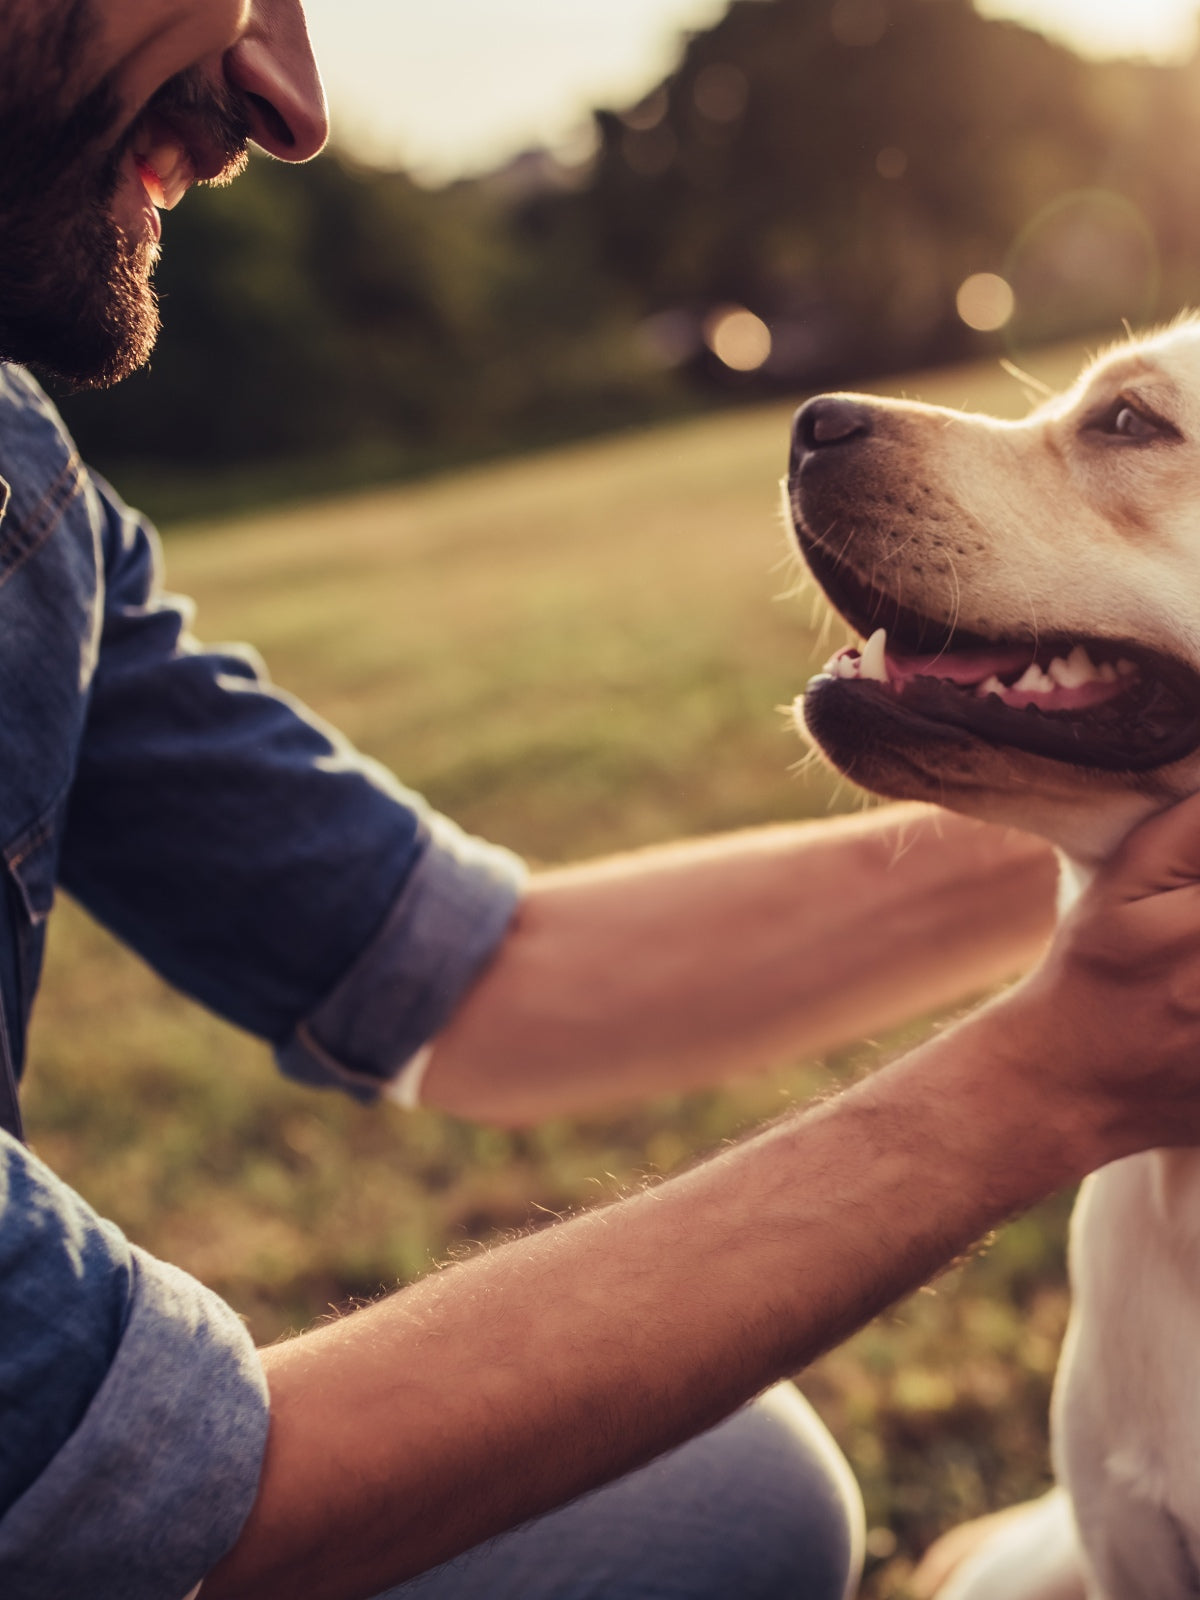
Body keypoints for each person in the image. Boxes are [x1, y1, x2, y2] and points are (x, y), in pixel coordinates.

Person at [1, 6, 1199, 1600]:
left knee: (730, 1497)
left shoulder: (28, 495)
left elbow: (480, 972)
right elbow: (102, 1493)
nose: (293, 101)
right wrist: (1038, 1083)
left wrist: (1123, 820)